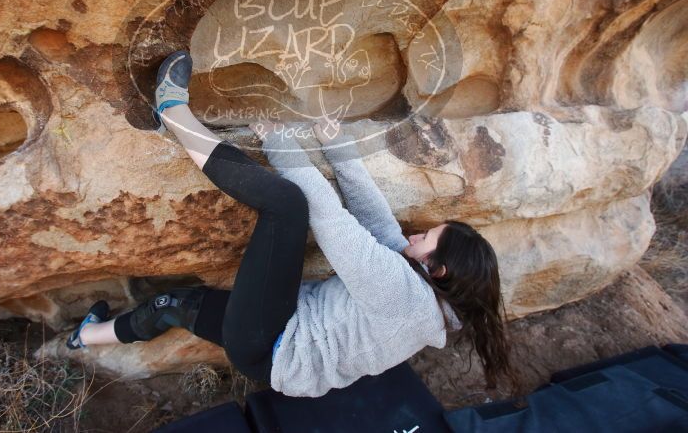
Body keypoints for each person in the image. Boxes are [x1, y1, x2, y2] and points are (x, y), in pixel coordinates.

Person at [66, 50, 519, 398]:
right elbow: (380, 227)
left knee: (287, 205)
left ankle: (171, 111)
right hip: (278, 331)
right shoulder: (421, 289)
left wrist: (283, 144)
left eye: (425, 240)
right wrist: (338, 148)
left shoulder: (405, 297)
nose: (415, 235)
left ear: (437, 269)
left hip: (276, 346)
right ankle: (84, 336)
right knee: (174, 304)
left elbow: (332, 220)